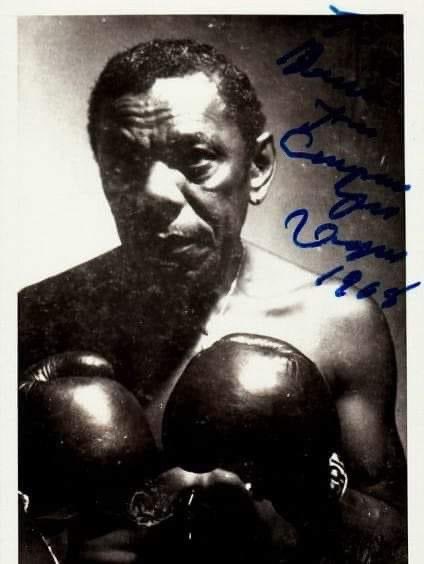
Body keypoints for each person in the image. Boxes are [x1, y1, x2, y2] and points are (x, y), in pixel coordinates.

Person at [19, 39, 406, 563]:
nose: (155, 192)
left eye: (196, 158)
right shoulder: (35, 316)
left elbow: (399, 537)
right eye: (125, 162)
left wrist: (313, 495)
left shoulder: (339, 323)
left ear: (258, 167)